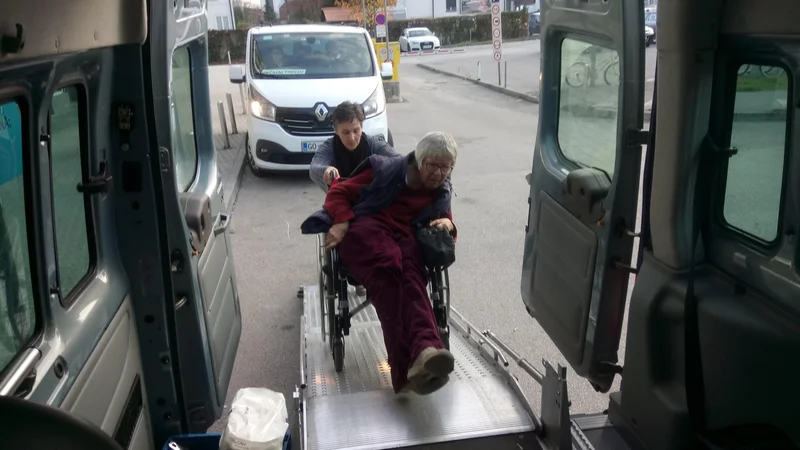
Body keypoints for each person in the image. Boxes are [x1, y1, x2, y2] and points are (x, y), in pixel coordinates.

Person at [301, 131, 459, 396]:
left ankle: (426, 350)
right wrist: (340, 221)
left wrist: (449, 225)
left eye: (446, 167)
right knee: (389, 271)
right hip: (367, 227)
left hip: (405, 235)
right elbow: (339, 191)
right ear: (419, 161)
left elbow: (446, 222)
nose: (439, 173)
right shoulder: (385, 170)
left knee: (412, 276)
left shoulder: (441, 191)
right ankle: (406, 366)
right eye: (433, 165)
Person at [309, 101, 398, 192]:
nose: (351, 138)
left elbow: (399, 161)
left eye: (356, 131)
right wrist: (326, 170)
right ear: (336, 131)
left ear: (362, 127)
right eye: (345, 132)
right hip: (340, 198)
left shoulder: (373, 144)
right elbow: (314, 167)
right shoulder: (329, 146)